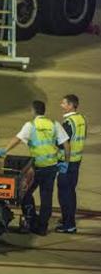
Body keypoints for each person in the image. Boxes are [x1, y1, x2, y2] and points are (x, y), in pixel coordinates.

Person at [0, 99, 70, 235]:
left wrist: (4, 150)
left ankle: (31, 220)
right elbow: (66, 144)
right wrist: (66, 162)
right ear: (44, 111)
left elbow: (17, 139)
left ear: (33, 111)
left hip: (37, 168)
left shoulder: (30, 125)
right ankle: (42, 227)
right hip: (52, 167)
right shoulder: (54, 124)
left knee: (25, 193)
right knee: (46, 198)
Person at [56, 93, 87, 233]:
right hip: (77, 160)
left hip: (66, 162)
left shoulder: (68, 123)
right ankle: (68, 218)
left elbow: (62, 143)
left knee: (64, 194)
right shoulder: (81, 119)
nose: (61, 105)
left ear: (70, 105)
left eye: (63, 103)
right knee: (71, 192)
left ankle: (69, 225)